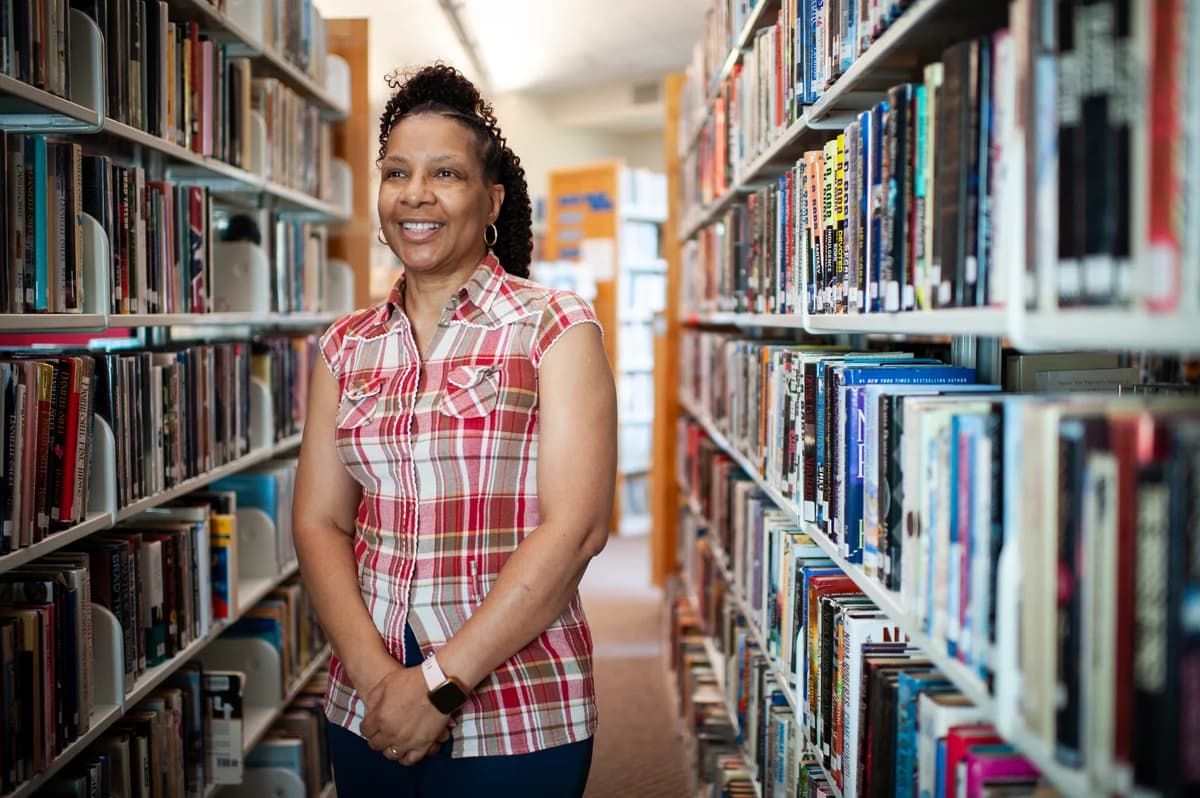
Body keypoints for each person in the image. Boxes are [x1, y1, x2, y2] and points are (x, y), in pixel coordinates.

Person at [292, 63, 616, 798]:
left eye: (446, 174)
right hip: (367, 700)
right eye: (396, 173)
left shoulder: (555, 327)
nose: (415, 194)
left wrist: (436, 685)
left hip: (517, 703)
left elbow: (576, 530)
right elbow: (318, 522)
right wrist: (384, 685)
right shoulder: (344, 346)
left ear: (491, 197)